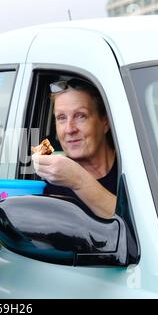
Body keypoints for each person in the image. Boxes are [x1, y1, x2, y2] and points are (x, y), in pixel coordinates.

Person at [33, 78, 117, 219]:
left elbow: (139, 229)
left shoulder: (133, 167)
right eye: (61, 118)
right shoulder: (48, 178)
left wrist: (77, 180)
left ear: (105, 122)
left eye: (80, 116)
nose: (69, 129)